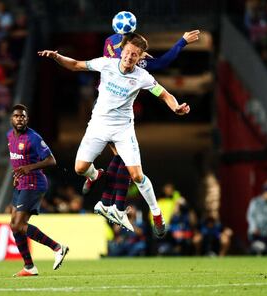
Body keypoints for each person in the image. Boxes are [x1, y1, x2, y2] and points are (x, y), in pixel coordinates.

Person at [38, 33, 190, 238]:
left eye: (135, 55)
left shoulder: (142, 77)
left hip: (123, 130)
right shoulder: (106, 64)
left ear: (140, 57)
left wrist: (176, 107)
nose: (129, 57)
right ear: (122, 51)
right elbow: (75, 65)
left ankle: (156, 214)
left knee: (136, 175)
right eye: (127, 52)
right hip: (98, 126)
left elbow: (164, 94)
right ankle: (96, 175)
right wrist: (57, 57)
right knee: (80, 168)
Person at [83, 18, 200, 230]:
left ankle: (108, 199)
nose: (130, 56)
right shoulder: (132, 55)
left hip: (116, 113)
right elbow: (162, 63)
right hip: (106, 112)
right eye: (130, 52)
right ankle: (106, 194)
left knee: (125, 162)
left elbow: (160, 87)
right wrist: (181, 42)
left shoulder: (112, 43)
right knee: (120, 160)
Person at [8, 104, 69, 277]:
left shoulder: (33, 137)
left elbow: (51, 160)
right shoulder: (9, 136)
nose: (20, 119)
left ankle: (58, 248)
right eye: (16, 116)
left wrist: (29, 168)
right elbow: (17, 159)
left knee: (18, 224)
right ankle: (29, 267)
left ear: (27, 119)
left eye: (23, 116)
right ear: (11, 118)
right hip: (21, 183)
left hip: (34, 182)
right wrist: (18, 174)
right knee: (14, 226)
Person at [246, 187, 267, 255]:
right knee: (256, 248)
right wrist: (254, 227)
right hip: (256, 231)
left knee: (266, 250)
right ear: (264, 193)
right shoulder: (255, 202)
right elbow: (250, 215)